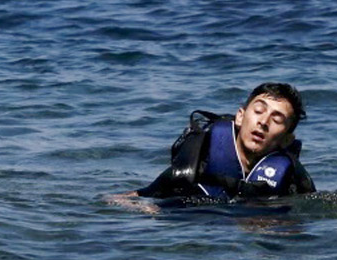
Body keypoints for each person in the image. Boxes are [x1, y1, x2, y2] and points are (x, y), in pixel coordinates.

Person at [110, 83, 316, 207]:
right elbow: (140, 196)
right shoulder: (201, 158)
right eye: (259, 111)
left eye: (277, 119)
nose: (263, 122)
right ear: (240, 116)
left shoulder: (292, 178)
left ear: (287, 139)